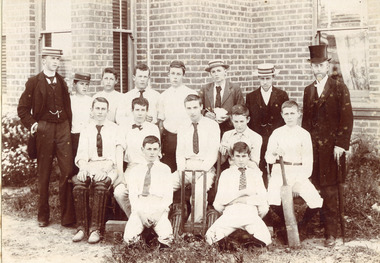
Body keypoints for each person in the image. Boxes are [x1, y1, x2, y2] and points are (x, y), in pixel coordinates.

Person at [17, 47, 75, 227]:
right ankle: (43, 215)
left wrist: (68, 126)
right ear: (44, 60)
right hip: (45, 129)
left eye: (58, 59)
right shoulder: (34, 82)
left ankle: (67, 218)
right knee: (44, 173)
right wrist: (35, 125)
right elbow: (22, 109)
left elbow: (67, 107)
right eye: (52, 58)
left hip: (63, 128)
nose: (56, 62)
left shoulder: (62, 82)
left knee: (67, 171)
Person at [302, 45, 353, 247]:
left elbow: (347, 118)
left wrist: (341, 144)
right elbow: (306, 121)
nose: (317, 69)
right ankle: (314, 224)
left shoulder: (339, 87)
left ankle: (331, 233)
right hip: (313, 149)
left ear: (327, 66)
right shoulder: (308, 90)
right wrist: (304, 145)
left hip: (332, 149)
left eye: (321, 65)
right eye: (314, 66)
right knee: (315, 187)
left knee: (331, 190)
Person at [265, 100, 323, 241]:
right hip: (280, 171)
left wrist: (298, 182)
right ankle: (288, 223)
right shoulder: (277, 133)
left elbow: (308, 162)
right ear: (282, 115)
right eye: (286, 114)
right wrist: (274, 153)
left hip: (298, 172)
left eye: (292, 113)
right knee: (272, 200)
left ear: (298, 114)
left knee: (316, 201)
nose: (289, 117)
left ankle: (300, 226)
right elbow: (267, 158)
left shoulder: (304, 134)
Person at [72, 97, 124, 244]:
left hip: (109, 166)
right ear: (92, 111)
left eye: (103, 109)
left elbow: (116, 154)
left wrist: (106, 168)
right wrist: (83, 168)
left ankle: (96, 229)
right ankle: (81, 227)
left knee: (101, 185)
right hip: (89, 165)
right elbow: (81, 154)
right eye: (97, 108)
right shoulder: (86, 129)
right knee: (79, 184)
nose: (100, 112)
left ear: (108, 111)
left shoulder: (115, 128)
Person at [205, 142, 271, 247]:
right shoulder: (226, 174)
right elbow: (218, 202)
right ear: (232, 157)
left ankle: (249, 243)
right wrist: (243, 195)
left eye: (244, 156)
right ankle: (229, 246)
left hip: (250, 211)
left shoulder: (255, 174)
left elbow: (263, 199)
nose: (241, 160)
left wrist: (243, 200)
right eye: (238, 156)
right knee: (210, 236)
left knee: (265, 237)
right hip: (231, 212)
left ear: (249, 157)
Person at [173, 94, 220, 223]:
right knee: (165, 184)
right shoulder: (182, 126)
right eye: (188, 108)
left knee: (199, 190)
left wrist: (201, 171)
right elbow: (180, 152)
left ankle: (195, 223)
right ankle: (161, 218)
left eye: (195, 107)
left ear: (201, 107)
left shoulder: (212, 126)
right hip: (187, 166)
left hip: (205, 168)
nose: (192, 111)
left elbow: (213, 153)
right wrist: (181, 170)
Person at [123, 135, 173, 249]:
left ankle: (159, 247)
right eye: (149, 149)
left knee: (167, 236)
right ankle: (139, 242)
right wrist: (141, 214)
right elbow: (133, 196)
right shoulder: (135, 170)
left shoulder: (165, 169)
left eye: (155, 149)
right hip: (141, 206)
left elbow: (168, 196)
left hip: (158, 206)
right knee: (129, 237)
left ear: (159, 150)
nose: (152, 153)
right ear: (142, 150)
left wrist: (158, 213)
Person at [113, 97, 160, 218]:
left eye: (143, 110)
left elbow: (156, 154)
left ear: (147, 111)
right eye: (137, 109)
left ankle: (149, 222)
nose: (140, 113)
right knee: (119, 192)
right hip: (131, 168)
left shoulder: (153, 128)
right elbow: (119, 150)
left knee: (147, 194)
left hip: (148, 168)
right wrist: (120, 173)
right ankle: (135, 219)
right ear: (132, 110)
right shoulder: (123, 127)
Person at [246, 63, 289, 188]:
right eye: (262, 79)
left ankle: (275, 199)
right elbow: (250, 119)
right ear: (258, 79)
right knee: (260, 166)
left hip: (276, 136)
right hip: (258, 136)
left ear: (273, 78)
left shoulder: (282, 95)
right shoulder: (251, 96)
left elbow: (284, 117)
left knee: (274, 165)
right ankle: (262, 193)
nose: (265, 82)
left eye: (268, 78)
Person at [157, 60, 197, 172]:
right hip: (170, 139)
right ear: (168, 74)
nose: (175, 77)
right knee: (169, 168)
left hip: (186, 136)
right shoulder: (163, 96)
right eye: (173, 73)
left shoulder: (191, 94)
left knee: (185, 168)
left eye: (178, 74)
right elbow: (161, 121)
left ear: (183, 75)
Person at [199, 59, 245, 135]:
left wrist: (229, 117)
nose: (216, 74)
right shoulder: (205, 89)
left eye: (219, 70)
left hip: (229, 128)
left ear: (225, 72)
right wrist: (205, 113)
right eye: (213, 72)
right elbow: (198, 107)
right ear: (210, 74)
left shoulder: (235, 88)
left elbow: (241, 109)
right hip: (210, 129)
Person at [220, 104, 262, 169]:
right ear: (231, 120)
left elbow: (255, 164)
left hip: (249, 171)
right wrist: (223, 152)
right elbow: (221, 162)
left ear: (248, 119)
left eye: (242, 121)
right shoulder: (227, 135)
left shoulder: (256, 137)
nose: (239, 125)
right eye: (236, 121)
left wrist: (231, 151)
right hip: (231, 171)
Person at [70, 72, 92, 176]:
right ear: (75, 84)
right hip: (74, 136)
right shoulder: (70, 100)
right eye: (81, 84)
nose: (84, 87)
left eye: (86, 84)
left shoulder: (91, 101)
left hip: (88, 136)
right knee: (74, 164)